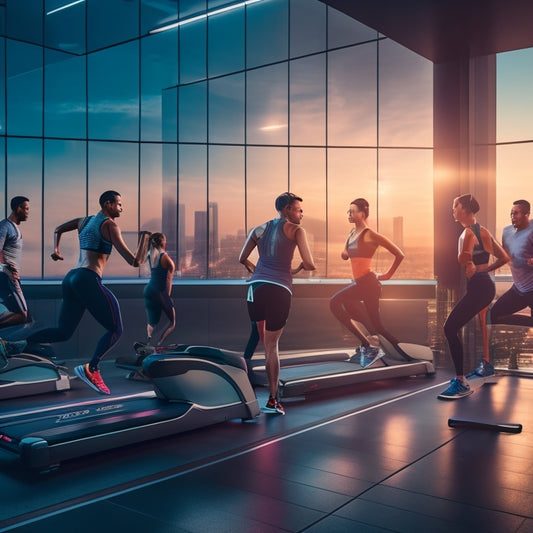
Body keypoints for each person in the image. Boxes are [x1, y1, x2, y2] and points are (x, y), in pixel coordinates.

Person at [26, 190, 150, 395]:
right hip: (88, 279)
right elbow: (134, 261)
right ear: (108, 204)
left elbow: (58, 229)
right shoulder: (109, 225)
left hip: (71, 278)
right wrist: (146, 239)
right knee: (116, 329)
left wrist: (57, 250)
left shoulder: (84, 221)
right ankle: (91, 368)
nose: (121, 208)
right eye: (119, 204)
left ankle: (21, 344)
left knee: (63, 332)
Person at [239, 192, 316, 415]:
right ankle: (273, 401)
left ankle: (245, 387)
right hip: (279, 289)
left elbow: (242, 258)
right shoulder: (297, 230)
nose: (301, 213)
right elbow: (310, 263)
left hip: (255, 289)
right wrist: (298, 268)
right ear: (287, 210)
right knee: (272, 347)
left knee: (262, 341)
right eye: (298, 209)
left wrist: (257, 272)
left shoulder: (258, 229)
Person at [438, 194, 510, 400]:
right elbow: (503, 257)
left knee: (450, 327)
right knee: (460, 327)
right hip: (479, 286)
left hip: (481, 288)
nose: (453, 209)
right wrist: (482, 269)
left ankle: (461, 382)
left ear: (466, 209)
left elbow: (467, 258)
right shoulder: (478, 231)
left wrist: (479, 268)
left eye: (456, 206)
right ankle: (486, 367)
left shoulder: (471, 232)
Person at [329, 198, 405, 368]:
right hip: (360, 283)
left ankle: (398, 352)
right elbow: (345, 251)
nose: (349, 214)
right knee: (374, 325)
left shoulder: (370, 234)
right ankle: (374, 344)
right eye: (348, 211)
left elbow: (399, 254)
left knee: (335, 302)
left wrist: (388, 275)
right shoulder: (351, 233)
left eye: (353, 211)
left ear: (362, 213)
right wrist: (344, 254)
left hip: (369, 284)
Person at [0, 196, 30, 327]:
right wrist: (8, 268)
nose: (28, 212)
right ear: (18, 208)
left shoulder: (14, 228)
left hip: (10, 277)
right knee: (22, 315)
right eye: (27, 209)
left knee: (22, 316)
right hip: (7, 277)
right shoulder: (5, 226)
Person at [142, 232, 176, 346]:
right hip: (159, 292)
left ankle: (148, 343)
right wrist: (166, 297)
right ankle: (157, 345)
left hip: (149, 290)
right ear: (162, 242)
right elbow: (169, 276)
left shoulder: (150, 255)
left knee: (152, 322)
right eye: (165, 240)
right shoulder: (164, 257)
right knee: (171, 322)